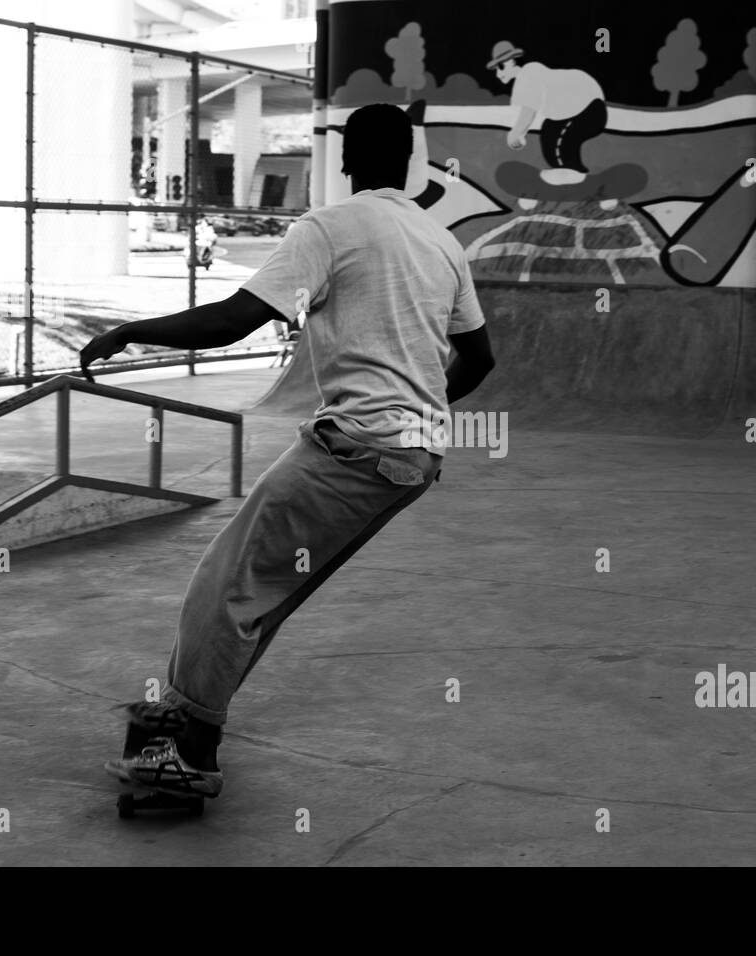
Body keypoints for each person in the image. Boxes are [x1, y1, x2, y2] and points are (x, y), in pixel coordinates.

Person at [81, 102, 496, 799]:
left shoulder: (330, 228)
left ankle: (186, 751)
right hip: (410, 459)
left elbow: (237, 319)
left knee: (223, 583)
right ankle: (195, 725)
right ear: (407, 162)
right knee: (262, 588)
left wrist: (131, 331)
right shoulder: (440, 240)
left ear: (347, 159)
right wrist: (422, 416)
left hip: (356, 448)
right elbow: (479, 357)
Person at [487, 40, 607, 186]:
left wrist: (516, 133)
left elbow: (528, 112)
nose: (498, 74)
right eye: (496, 69)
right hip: (572, 113)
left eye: (501, 67)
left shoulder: (529, 73)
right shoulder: (526, 78)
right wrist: (520, 133)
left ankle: (574, 173)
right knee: (549, 132)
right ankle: (562, 172)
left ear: (513, 61)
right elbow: (528, 109)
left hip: (590, 109)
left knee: (564, 139)